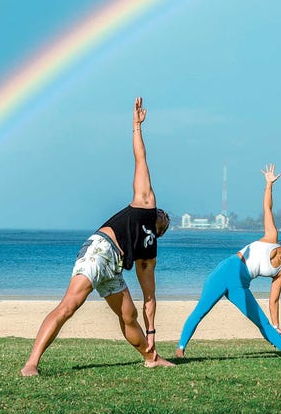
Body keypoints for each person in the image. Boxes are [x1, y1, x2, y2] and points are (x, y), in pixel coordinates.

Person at [20, 97, 173, 376]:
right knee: (69, 306)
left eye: (167, 220)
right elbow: (141, 159)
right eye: (165, 214)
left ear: (161, 232)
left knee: (129, 315)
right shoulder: (145, 202)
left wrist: (151, 332)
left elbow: (149, 297)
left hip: (114, 265)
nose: (165, 215)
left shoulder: (147, 255)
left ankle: (151, 357)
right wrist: (136, 126)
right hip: (100, 250)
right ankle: (31, 363)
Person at [175, 164, 281, 359]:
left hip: (240, 284)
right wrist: (269, 184)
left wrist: (276, 325)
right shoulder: (271, 237)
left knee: (260, 320)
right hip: (227, 270)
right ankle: (180, 350)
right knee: (201, 311)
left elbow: (274, 300)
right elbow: (267, 208)